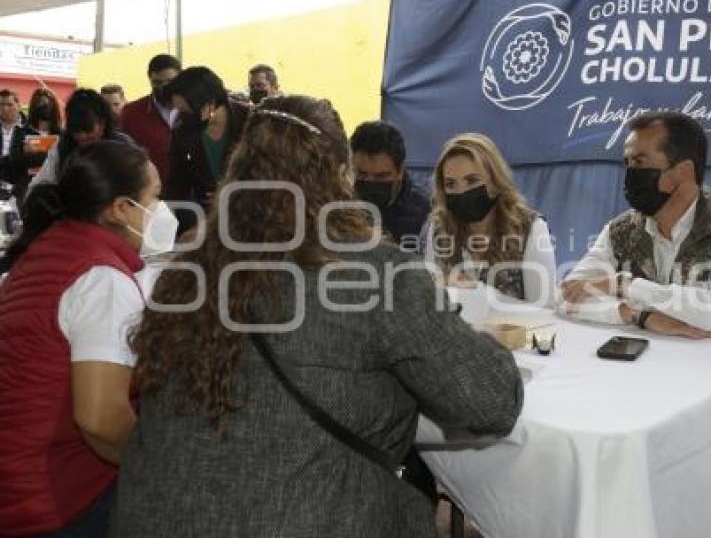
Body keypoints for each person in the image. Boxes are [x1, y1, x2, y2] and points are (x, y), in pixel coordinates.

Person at [110, 95, 523, 537]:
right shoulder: (372, 273)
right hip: (309, 516)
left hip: (155, 515)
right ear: (339, 177)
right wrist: (480, 342)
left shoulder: (187, 274)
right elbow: (492, 401)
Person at [0, 140, 178, 536]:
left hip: (18, 481)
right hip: (57, 495)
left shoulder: (48, 250)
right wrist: (159, 469)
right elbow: (100, 420)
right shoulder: (102, 279)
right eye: (155, 198)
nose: (163, 212)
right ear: (120, 208)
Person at [561, 111, 711, 340]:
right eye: (626, 162)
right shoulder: (622, 229)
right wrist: (637, 316)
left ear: (683, 171)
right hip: (646, 365)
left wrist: (625, 285)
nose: (629, 173)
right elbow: (566, 294)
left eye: (639, 162)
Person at [422, 133, 558, 307]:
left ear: (495, 181)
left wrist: (477, 292)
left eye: (472, 181)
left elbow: (544, 311)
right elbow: (428, 303)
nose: (461, 191)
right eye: (450, 184)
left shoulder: (530, 228)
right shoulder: (439, 227)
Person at [163, 66, 251, 232]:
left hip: (255, 220)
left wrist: (232, 195)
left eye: (186, 110)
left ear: (209, 104)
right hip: (209, 224)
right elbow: (176, 183)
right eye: (179, 110)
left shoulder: (252, 123)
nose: (182, 116)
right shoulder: (182, 133)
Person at [28, 88, 134, 190]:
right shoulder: (62, 147)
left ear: (103, 124)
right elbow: (38, 185)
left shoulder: (123, 147)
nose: (82, 136)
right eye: (76, 130)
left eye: (87, 129)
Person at [350, 120, 430, 246]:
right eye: (362, 174)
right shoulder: (339, 205)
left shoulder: (426, 214)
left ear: (400, 170)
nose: (371, 182)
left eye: (381, 176)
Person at [120, 54, 182, 178]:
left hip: (189, 189)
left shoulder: (194, 110)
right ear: (150, 80)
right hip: (146, 187)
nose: (164, 87)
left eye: (170, 81)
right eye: (157, 82)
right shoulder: (132, 112)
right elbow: (123, 155)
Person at [2, 88, 63, 204]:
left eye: (47, 103)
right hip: (26, 188)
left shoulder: (62, 134)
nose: (44, 107)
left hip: (56, 188)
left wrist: (34, 151)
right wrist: (51, 152)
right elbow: (16, 160)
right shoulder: (21, 132)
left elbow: (65, 159)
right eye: (40, 103)